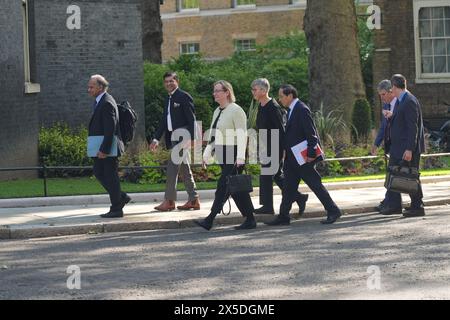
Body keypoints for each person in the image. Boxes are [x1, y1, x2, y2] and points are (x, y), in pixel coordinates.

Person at [265, 84, 341, 226]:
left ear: (290, 95)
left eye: (281, 96)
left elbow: (311, 133)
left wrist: (311, 154)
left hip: (303, 158)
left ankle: (333, 210)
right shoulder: (291, 110)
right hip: (292, 158)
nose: (280, 99)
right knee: (288, 188)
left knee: (315, 185)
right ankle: (283, 216)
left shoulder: (301, 109)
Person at [195, 80, 256, 231]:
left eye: (217, 91)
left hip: (234, 153)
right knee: (236, 188)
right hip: (223, 153)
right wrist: (207, 153)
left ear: (227, 92)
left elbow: (242, 135)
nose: (214, 94)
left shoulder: (236, 110)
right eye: (214, 91)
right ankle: (250, 219)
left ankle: (210, 219)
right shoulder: (217, 111)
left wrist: (240, 157)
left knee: (223, 186)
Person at [251, 78, 308, 215]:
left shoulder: (273, 107)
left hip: (275, 145)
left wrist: (283, 150)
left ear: (264, 91)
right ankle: (298, 197)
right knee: (276, 175)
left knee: (266, 175)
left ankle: (268, 207)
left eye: (255, 89)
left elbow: (282, 130)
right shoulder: (261, 106)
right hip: (267, 145)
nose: (252, 92)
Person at [150, 72, 200, 212]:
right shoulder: (168, 99)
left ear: (177, 81)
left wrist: (192, 138)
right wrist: (156, 139)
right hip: (172, 137)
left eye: (171, 81)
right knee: (184, 168)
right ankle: (194, 199)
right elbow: (164, 122)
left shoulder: (184, 96)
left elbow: (192, 119)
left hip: (183, 136)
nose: (168, 84)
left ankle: (169, 201)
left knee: (172, 168)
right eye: (166, 81)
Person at [381, 74, 425, 217]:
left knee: (411, 176)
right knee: (396, 173)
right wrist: (392, 116)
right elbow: (403, 121)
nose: (390, 91)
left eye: (391, 88)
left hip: (407, 148)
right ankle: (396, 205)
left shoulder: (409, 101)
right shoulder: (402, 100)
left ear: (394, 87)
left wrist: (409, 149)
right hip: (399, 147)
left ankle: (417, 206)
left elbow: (413, 128)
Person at [87, 74, 130, 218]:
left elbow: (110, 129)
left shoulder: (106, 103)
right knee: (99, 172)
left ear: (100, 87)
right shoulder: (101, 101)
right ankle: (120, 197)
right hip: (104, 147)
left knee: (110, 176)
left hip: (108, 149)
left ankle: (117, 208)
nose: (89, 89)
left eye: (91, 87)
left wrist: (104, 150)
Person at [371, 79, 397, 212]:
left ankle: (391, 202)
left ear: (390, 92)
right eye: (380, 95)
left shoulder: (399, 102)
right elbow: (383, 126)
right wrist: (376, 143)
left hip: (400, 144)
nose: (381, 98)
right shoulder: (386, 106)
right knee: (392, 173)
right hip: (391, 144)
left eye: (383, 94)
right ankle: (389, 201)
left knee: (394, 174)